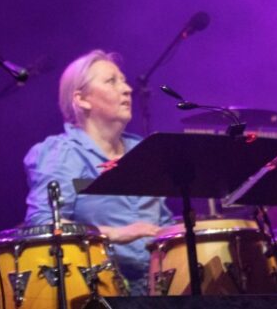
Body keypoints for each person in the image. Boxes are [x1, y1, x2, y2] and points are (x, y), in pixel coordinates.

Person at [23, 50, 173, 295]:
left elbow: (162, 223)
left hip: (156, 287)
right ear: (82, 99)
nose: (127, 89)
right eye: (111, 81)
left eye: (124, 81)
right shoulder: (62, 154)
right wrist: (112, 234)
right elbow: (42, 223)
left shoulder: (143, 150)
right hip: (95, 288)